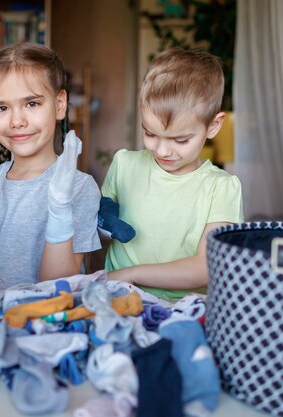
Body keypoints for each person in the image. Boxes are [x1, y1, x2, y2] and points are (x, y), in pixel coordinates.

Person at [0, 43, 101, 292]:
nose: (17, 121)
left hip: (44, 318)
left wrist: (59, 210)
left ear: (60, 104)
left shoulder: (80, 187)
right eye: (2, 108)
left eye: (32, 104)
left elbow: (57, 288)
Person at [102, 47, 244, 301]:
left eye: (181, 139)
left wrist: (131, 274)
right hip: (118, 298)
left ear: (213, 125)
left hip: (181, 308)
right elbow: (98, 224)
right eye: (150, 133)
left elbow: (206, 268)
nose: (163, 150)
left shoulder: (221, 188)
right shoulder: (124, 164)